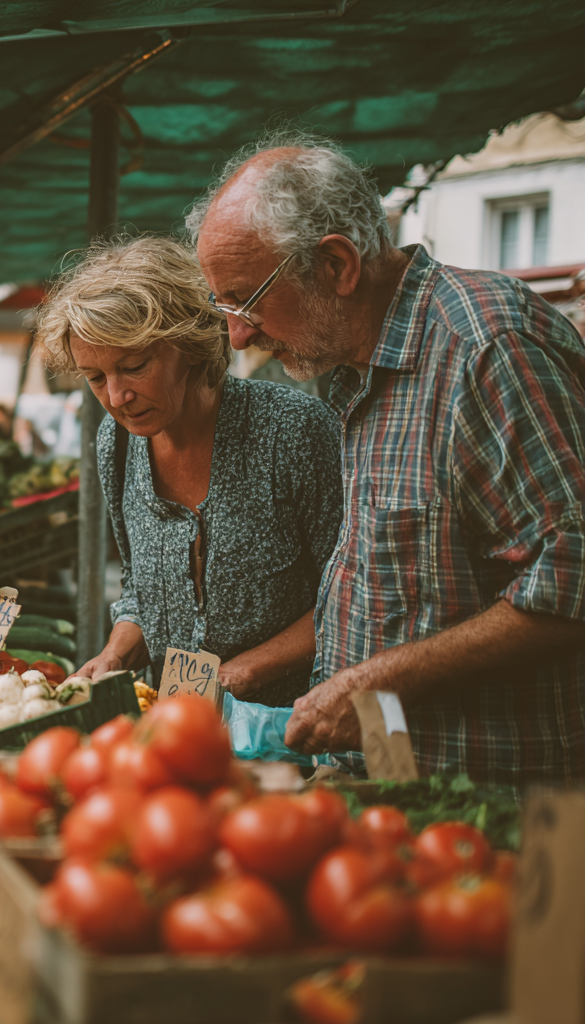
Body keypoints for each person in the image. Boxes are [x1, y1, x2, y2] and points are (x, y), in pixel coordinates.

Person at [190, 128, 585, 786]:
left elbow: (572, 582)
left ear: (339, 266)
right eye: (222, 304)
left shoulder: (486, 348)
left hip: (500, 811)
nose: (236, 334)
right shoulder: (357, 370)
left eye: (248, 300)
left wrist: (383, 680)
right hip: (389, 781)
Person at [35, 235, 343, 699]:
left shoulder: (294, 431)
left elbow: (353, 596)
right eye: (96, 378)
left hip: (296, 731)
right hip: (176, 731)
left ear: (191, 344)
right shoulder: (116, 443)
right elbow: (144, 588)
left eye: (135, 366)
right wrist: (116, 655)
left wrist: (244, 673)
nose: (117, 398)